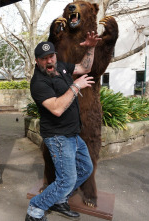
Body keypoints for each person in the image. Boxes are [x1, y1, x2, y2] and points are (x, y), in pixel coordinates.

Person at [25, 31, 101, 221]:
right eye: (44, 59)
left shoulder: (61, 67)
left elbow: (84, 67)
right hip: (58, 137)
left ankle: (59, 200)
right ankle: (35, 209)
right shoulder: (38, 83)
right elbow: (57, 109)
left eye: (51, 56)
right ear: (37, 61)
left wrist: (90, 47)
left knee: (85, 169)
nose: (49, 61)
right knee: (66, 180)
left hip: (73, 134)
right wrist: (76, 86)